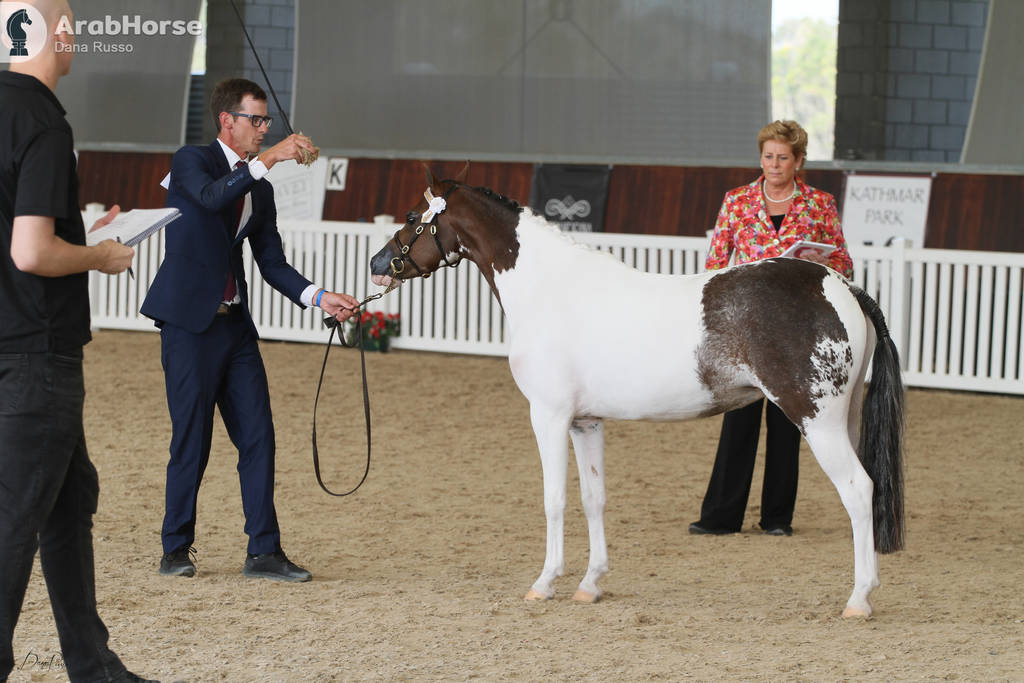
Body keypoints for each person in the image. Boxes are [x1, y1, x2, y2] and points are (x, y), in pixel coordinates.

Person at [140, 78, 360, 582]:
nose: (264, 129)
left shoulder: (259, 190)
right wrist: (272, 158)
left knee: (260, 436)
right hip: (188, 327)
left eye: (266, 122)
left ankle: (264, 551)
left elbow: (272, 262)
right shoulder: (190, 161)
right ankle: (175, 548)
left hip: (235, 328)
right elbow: (212, 198)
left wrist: (319, 296)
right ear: (227, 121)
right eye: (255, 120)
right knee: (191, 441)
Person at [0, 1, 157, 680]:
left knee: (69, 498)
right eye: (68, 20)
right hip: (37, 351)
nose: (76, 34)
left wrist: (82, 237)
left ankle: (93, 665)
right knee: (14, 520)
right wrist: (101, 257)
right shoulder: (42, 120)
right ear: (54, 32)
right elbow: (32, 252)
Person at [689, 120, 854, 537]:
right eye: (768, 156)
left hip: (796, 328)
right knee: (737, 422)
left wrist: (818, 263)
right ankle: (720, 518)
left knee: (788, 427)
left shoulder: (820, 204)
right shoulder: (737, 200)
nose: (774, 165)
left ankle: (777, 519)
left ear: (798, 161)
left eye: (783, 158)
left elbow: (844, 265)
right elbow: (715, 264)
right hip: (743, 328)